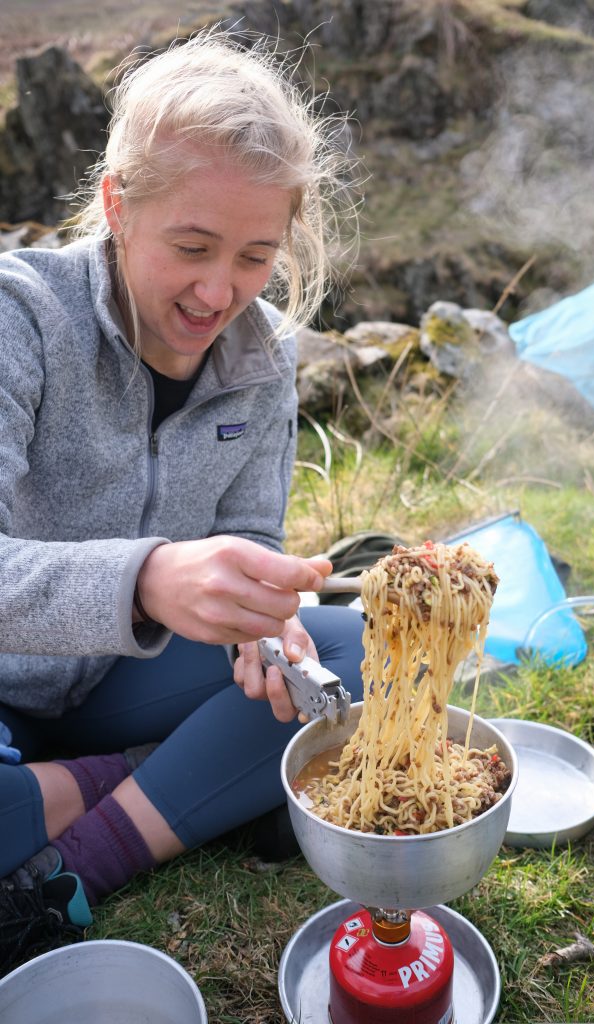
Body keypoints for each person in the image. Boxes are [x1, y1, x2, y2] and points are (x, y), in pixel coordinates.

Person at [0, 28, 365, 974]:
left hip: (131, 678)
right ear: (119, 204)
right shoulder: (20, 316)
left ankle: (71, 871)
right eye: (192, 246)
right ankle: (172, 780)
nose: (219, 292)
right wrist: (148, 577)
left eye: (254, 256)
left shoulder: (264, 355)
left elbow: (248, 531)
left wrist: (258, 617)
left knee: (351, 654)